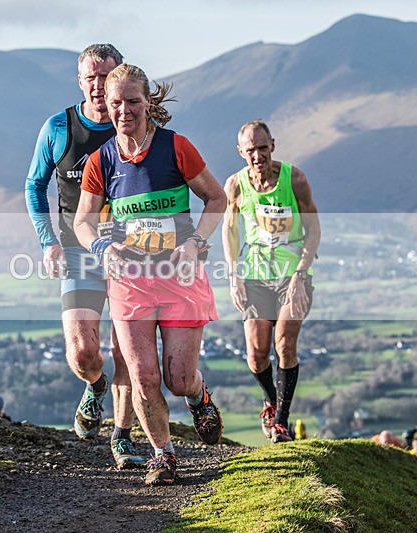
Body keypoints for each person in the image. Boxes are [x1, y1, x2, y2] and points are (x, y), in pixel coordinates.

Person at [74, 64, 226, 486]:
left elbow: (217, 198)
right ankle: (163, 454)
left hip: (179, 277)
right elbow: (83, 221)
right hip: (129, 281)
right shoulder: (101, 160)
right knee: (142, 376)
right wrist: (102, 247)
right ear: (105, 104)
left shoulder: (176, 147)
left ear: (148, 102)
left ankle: (198, 395)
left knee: (178, 380)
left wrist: (195, 242)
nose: (124, 110)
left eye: (133, 101)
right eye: (115, 102)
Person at [25, 44, 145, 469]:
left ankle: (122, 436)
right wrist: (47, 241)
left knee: (127, 350)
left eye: (105, 76)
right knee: (82, 352)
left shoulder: (134, 125)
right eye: (90, 77)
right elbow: (34, 185)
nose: (97, 85)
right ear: (80, 81)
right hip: (78, 252)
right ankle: (95, 386)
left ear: (119, 78)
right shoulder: (59, 127)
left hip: (132, 256)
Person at [222, 120, 321, 443]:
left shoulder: (295, 179)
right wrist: (233, 275)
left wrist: (301, 275)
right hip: (255, 275)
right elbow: (230, 229)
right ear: (241, 152)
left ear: (273, 146)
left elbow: (314, 229)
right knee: (256, 353)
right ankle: (270, 401)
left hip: (292, 275)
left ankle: (281, 421)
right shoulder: (236, 185)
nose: (257, 156)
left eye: (262, 148)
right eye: (250, 150)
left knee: (284, 344)